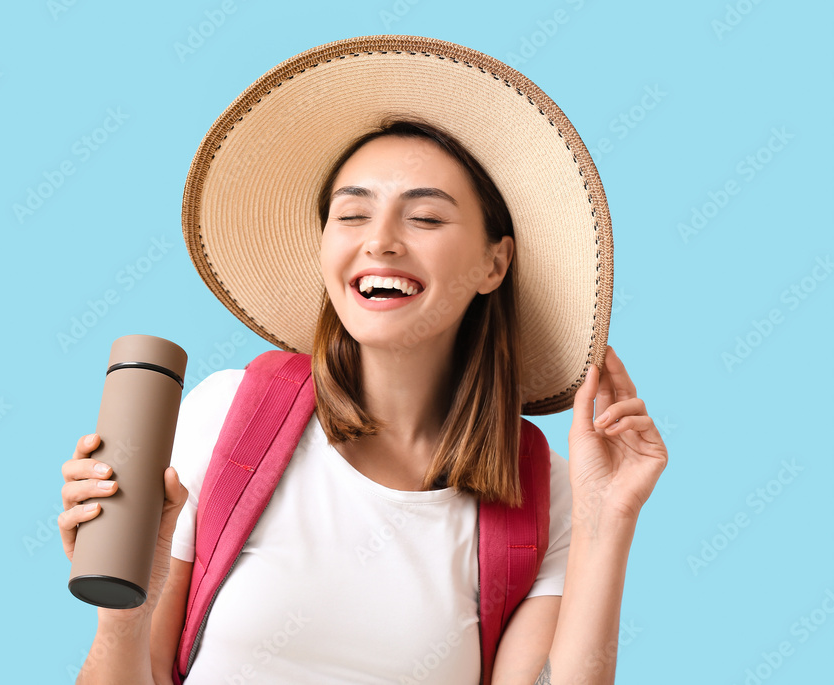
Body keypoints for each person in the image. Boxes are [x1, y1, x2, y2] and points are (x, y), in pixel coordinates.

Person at [59, 36, 668, 685]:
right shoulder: (226, 413)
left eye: (426, 218)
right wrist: (128, 604)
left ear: (495, 263)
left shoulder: (541, 490)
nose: (380, 240)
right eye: (352, 214)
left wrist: (607, 518)